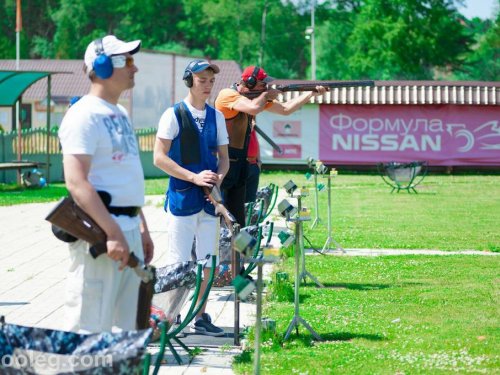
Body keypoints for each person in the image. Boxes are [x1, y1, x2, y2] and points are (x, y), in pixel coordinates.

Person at [58, 35, 154, 333]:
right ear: (101, 65)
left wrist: (142, 228)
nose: (134, 68)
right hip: (101, 236)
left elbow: (123, 177)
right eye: (127, 61)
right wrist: (113, 234)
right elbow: (77, 182)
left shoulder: (120, 114)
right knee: (90, 328)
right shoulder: (83, 115)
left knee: (128, 330)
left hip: (127, 232)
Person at [153, 59, 230, 336]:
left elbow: (224, 159)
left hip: (210, 203)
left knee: (209, 262)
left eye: (211, 80)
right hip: (182, 198)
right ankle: (172, 318)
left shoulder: (217, 117)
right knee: (179, 262)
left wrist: (218, 178)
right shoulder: (172, 115)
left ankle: (200, 317)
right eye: (202, 80)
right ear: (189, 81)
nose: (207, 85)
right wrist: (194, 178)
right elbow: (159, 158)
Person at [215, 65, 326, 227]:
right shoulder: (227, 95)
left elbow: (286, 109)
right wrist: (266, 96)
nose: (266, 87)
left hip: (240, 164)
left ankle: (235, 251)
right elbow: (253, 107)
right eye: (262, 84)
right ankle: (212, 249)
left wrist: (310, 93)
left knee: (238, 218)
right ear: (250, 83)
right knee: (218, 215)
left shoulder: (255, 98)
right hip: (223, 164)